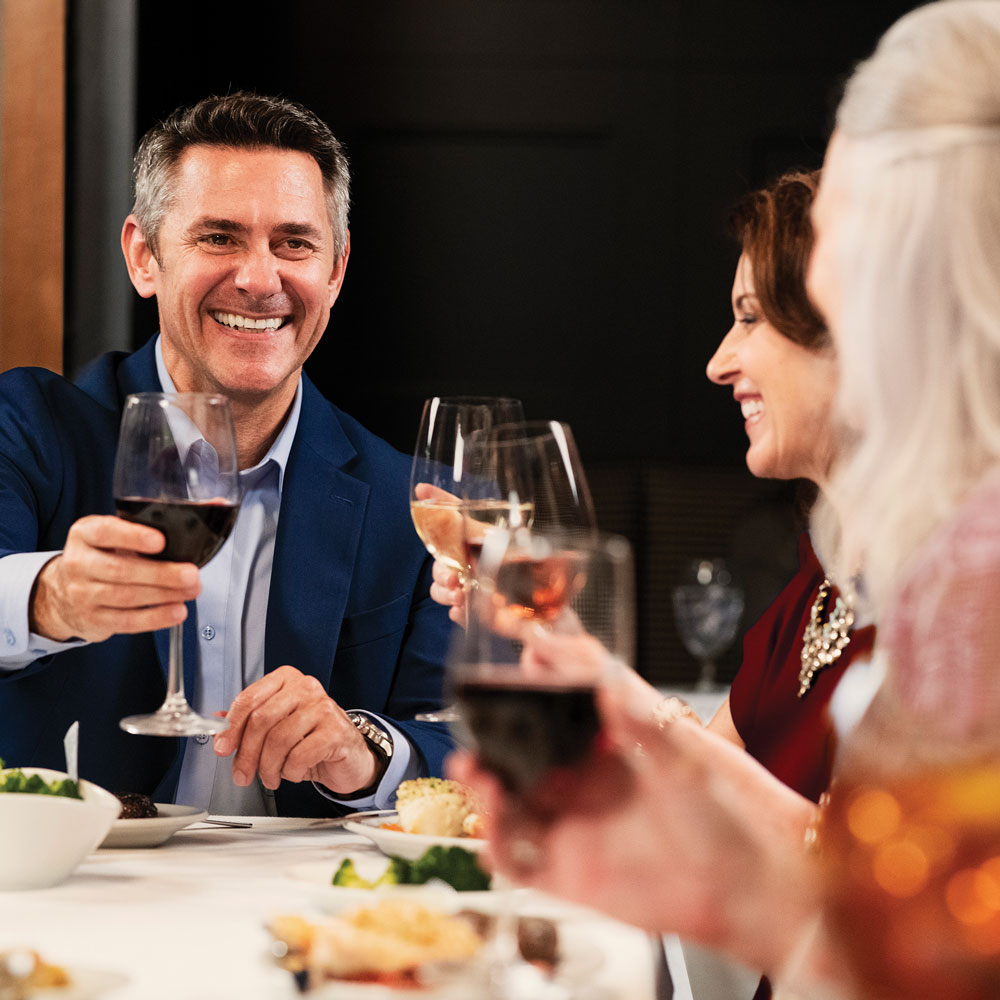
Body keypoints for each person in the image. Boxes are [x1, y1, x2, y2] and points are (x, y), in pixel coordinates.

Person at [453, 2, 1000, 996]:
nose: (826, 272)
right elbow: (882, 926)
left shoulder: (974, 575)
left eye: (841, 234)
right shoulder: (914, 566)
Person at [0, 92, 453, 817]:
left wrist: (364, 749)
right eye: (219, 237)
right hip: (76, 901)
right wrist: (48, 597)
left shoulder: (417, 502)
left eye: (295, 244)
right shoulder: (26, 425)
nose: (259, 278)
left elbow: (476, 742)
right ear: (144, 257)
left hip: (308, 914)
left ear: (334, 271)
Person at [432, 170, 874, 808]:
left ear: (853, 336)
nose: (718, 363)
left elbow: (848, 870)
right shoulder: (821, 588)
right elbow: (701, 792)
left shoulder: (954, 606)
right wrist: (555, 640)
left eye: (750, 318)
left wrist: (612, 685)